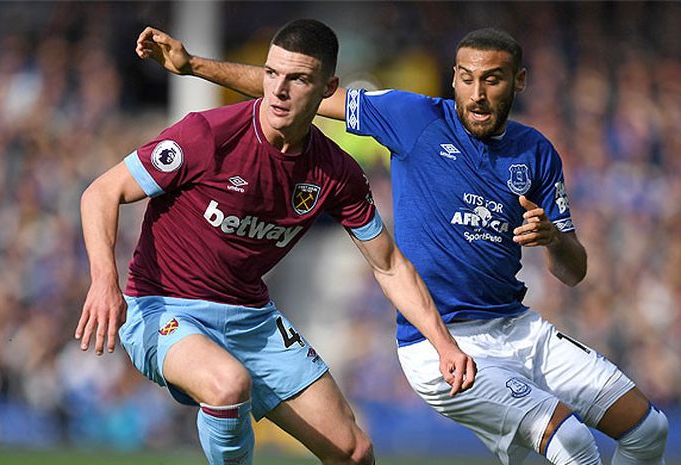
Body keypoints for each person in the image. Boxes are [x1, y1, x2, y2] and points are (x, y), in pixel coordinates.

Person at [136, 25, 669, 465]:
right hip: (441, 339)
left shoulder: (537, 152)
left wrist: (553, 240)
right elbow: (298, 86)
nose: (477, 94)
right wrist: (195, 66)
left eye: (492, 81)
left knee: (650, 432)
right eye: (466, 79)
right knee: (572, 444)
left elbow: (573, 272)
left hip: (520, 325)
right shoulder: (414, 118)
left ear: (518, 82)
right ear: (453, 80)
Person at [76, 19, 476, 465]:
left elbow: (389, 266)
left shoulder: (335, 172)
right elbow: (101, 193)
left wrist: (444, 343)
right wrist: (103, 281)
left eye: (298, 79)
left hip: (252, 317)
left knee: (354, 451)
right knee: (228, 385)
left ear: (328, 88)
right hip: (162, 306)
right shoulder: (207, 136)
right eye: (271, 74)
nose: (279, 91)